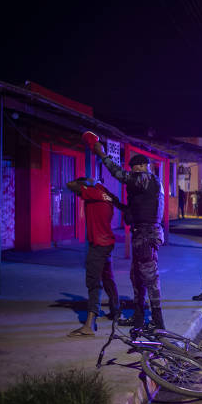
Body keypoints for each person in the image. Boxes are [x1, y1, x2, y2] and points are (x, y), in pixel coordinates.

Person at [88, 133, 166, 330]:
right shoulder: (150, 185)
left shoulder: (147, 178)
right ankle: (139, 319)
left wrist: (103, 155)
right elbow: (135, 210)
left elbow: (120, 175)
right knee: (137, 277)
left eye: (134, 169)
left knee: (150, 278)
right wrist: (116, 201)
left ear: (140, 167)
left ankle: (158, 324)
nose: (132, 173)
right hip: (143, 235)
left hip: (146, 236)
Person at [65, 177, 121, 337]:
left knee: (93, 283)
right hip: (107, 242)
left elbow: (70, 184)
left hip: (98, 244)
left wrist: (85, 181)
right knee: (107, 277)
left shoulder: (92, 193)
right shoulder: (105, 194)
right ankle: (115, 310)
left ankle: (89, 324)